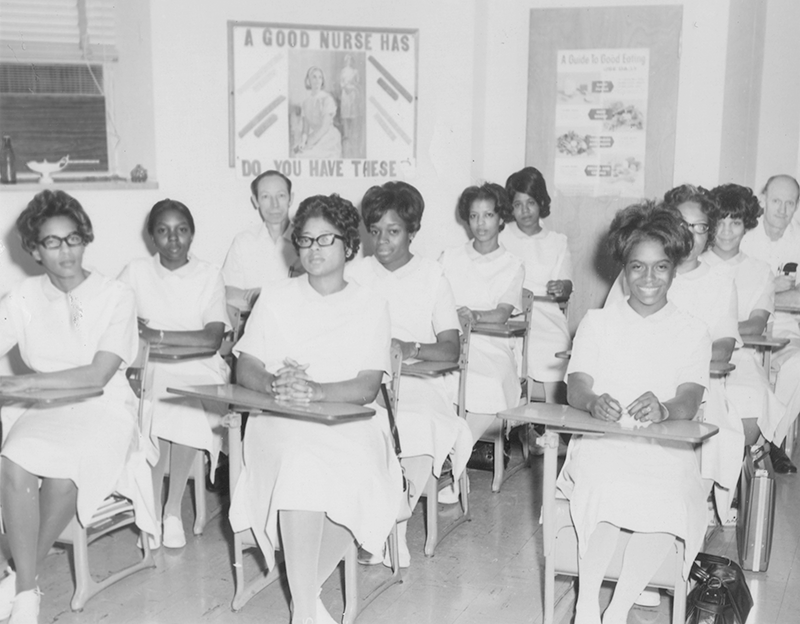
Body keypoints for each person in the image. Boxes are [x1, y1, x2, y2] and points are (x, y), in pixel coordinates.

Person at [228, 194, 402, 624]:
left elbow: (366, 386)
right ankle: (306, 607)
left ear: (348, 245)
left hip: (349, 417)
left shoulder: (370, 304)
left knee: (357, 466)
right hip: (281, 417)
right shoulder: (275, 296)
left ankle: (304, 600)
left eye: (326, 240)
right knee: (300, 461)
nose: (314, 250)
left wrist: (316, 390)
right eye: (305, 241)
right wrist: (273, 383)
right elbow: (244, 362)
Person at [0, 190, 155, 624]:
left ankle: (17, 581)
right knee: (13, 461)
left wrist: (13, 384)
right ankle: (26, 588)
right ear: (34, 249)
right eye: (52, 242)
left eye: (73, 239)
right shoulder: (24, 297)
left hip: (102, 408)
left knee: (67, 471)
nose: (66, 250)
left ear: (85, 239)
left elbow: (95, 376)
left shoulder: (116, 295)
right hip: (45, 410)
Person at [560, 201, 710, 624]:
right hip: (603, 440)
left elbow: (689, 398)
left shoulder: (692, 330)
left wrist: (664, 408)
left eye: (660, 267)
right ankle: (587, 604)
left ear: (674, 269)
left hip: (665, 445)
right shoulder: (597, 322)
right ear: (622, 270)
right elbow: (576, 385)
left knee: (668, 496)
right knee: (606, 485)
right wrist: (593, 401)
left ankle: (619, 608)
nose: (649, 279)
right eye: (638, 267)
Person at [347, 181, 472, 567]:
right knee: (361, 424)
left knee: (414, 423)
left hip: (421, 381)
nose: (382, 240)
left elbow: (451, 348)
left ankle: (394, 529)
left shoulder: (433, 276)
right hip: (368, 380)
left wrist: (410, 347)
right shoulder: (356, 273)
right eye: (375, 231)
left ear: (413, 231)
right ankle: (372, 523)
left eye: (394, 231)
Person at [118, 199, 229, 548]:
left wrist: (156, 336)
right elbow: (114, 318)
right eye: (163, 231)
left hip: (200, 366)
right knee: (156, 405)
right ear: (152, 236)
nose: (173, 239)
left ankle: (172, 510)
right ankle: (149, 511)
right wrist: (145, 339)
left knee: (189, 404)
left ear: (192, 233)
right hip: (150, 365)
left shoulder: (209, 274)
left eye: (181, 230)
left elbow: (211, 340)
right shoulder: (136, 271)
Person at [439, 183, 524, 485]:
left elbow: (502, 313)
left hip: (492, 343)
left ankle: (451, 467)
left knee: (489, 383)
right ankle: (443, 461)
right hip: (450, 340)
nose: (481, 223)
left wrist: (471, 315)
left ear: (501, 218)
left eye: (488, 215)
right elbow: (433, 300)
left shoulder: (511, 265)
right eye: (474, 216)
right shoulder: (450, 257)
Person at [702, 184, 788, 467]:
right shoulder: (696, 264)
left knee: (750, 401)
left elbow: (755, 324)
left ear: (747, 225)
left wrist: (716, 328)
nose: (726, 231)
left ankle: (737, 480)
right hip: (699, 353)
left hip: (742, 356)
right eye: (720, 222)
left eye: (735, 222)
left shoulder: (759, 270)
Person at [740, 174, 800, 470]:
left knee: (797, 368)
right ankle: (767, 446)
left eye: (791, 203)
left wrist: (767, 291)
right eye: (776, 201)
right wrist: (770, 288)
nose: (783, 209)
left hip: (786, 325)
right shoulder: (745, 236)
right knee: (750, 379)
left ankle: (768, 443)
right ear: (764, 199)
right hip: (748, 323)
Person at [501, 166, 572, 404]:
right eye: (518, 204)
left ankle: (552, 425)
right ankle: (519, 422)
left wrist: (562, 287)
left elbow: (566, 284)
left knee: (556, 345)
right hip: (509, 312)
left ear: (541, 202)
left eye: (530, 202)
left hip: (545, 313)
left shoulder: (557, 241)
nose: (525, 210)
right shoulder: (502, 237)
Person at [222, 170, 299, 309]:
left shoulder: (305, 240)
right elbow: (228, 294)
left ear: (290, 198)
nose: (274, 204)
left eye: (281, 195)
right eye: (265, 197)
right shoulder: (243, 241)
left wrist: (259, 296)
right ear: (255, 201)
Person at [294, 67, 342, 159]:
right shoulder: (305, 102)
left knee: (311, 155)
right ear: (308, 80)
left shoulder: (327, 99)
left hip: (328, 137)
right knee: (299, 154)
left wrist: (309, 142)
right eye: (314, 77)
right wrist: (303, 141)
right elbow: (305, 129)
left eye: (320, 77)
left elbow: (324, 128)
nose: (317, 80)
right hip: (314, 136)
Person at [339, 54, 361, 158]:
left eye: (350, 59)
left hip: (352, 93)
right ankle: (346, 135)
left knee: (352, 114)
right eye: (347, 59)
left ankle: (353, 136)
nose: (348, 61)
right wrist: (344, 86)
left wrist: (352, 87)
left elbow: (357, 83)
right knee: (346, 114)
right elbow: (341, 82)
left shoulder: (355, 71)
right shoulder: (343, 71)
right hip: (345, 93)